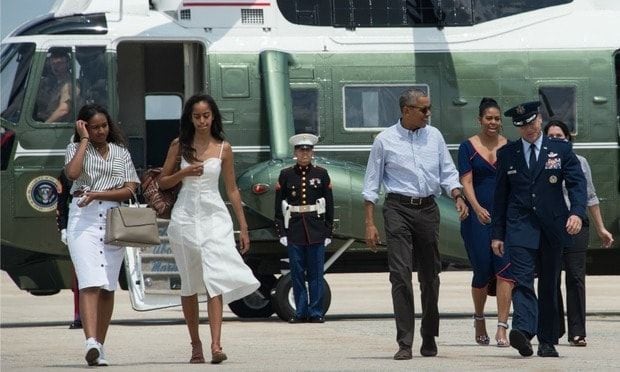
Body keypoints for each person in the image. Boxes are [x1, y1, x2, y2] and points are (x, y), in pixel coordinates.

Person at [363, 88, 468, 360]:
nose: (428, 114)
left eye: (428, 108)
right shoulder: (384, 140)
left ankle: (429, 335)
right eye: (423, 109)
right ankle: (405, 342)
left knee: (430, 277)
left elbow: (448, 171)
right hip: (397, 208)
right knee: (400, 275)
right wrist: (369, 223)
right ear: (406, 110)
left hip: (428, 209)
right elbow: (371, 183)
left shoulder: (434, 136)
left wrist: (457, 195)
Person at [159, 93, 259, 364]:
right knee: (190, 284)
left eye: (206, 115)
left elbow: (232, 189)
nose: (202, 121)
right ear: (189, 118)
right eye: (196, 116)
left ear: (213, 116)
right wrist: (184, 173)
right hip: (185, 218)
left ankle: (216, 345)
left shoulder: (224, 147)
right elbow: (162, 182)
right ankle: (195, 345)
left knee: (215, 276)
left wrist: (244, 226)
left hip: (214, 217)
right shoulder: (179, 145)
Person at [492, 101, 587, 358]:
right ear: (517, 128)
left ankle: (547, 340)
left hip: (552, 226)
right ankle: (523, 330)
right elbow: (500, 196)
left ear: (540, 120)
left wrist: (577, 212)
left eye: (532, 123)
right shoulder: (508, 153)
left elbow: (577, 184)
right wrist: (497, 233)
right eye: (522, 126)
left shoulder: (560, 149)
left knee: (548, 284)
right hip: (519, 226)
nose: (529, 129)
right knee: (522, 281)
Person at [64, 104, 140, 366]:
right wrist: (83, 140)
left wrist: (99, 193)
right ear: (84, 126)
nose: (100, 131)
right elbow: (72, 174)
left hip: (112, 219)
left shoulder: (121, 152)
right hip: (82, 218)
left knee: (107, 287)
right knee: (89, 281)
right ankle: (90, 342)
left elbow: (130, 188)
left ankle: (100, 346)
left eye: (104, 126)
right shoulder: (75, 148)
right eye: (94, 127)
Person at [543, 120, 614, 347]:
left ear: (568, 138)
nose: (555, 139)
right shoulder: (540, 163)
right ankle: (553, 329)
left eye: (559, 135)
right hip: (551, 227)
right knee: (551, 278)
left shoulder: (580, 162)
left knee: (575, 277)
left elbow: (590, 197)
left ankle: (577, 331)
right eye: (551, 136)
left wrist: (601, 228)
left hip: (576, 225)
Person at [458, 97, 514, 347]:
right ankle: (479, 318)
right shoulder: (467, 147)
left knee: (505, 270)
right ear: (479, 120)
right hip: (476, 217)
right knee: (482, 268)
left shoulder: (510, 147)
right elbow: (466, 181)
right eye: (488, 118)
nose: (493, 122)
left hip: (504, 218)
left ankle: (502, 327)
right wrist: (477, 207)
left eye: (497, 118)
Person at [274, 133, 334, 324]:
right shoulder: (286, 175)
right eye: (301, 150)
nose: (304, 154)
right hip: (295, 229)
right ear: (295, 152)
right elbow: (278, 205)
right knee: (297, 272)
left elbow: (329, 204)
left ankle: (316, 312)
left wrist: (327, 231)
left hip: (315, 229)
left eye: (308, 150)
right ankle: (300, 312)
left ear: (312, 152)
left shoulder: (321, 174)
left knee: (316, 273)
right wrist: (281, 232)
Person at [55, 169, 82, 330]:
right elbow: (61, 202)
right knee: (78, 276)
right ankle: (79, 315)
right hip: (76, 223)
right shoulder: (67, 173)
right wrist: (63, 228)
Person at [35, 49, 73, 123]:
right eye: (53, 64)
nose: (55, 67)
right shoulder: (50, 84)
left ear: (68, 64)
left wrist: (45, 125)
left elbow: (63, 110)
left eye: (59, 63)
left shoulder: (70, 85)